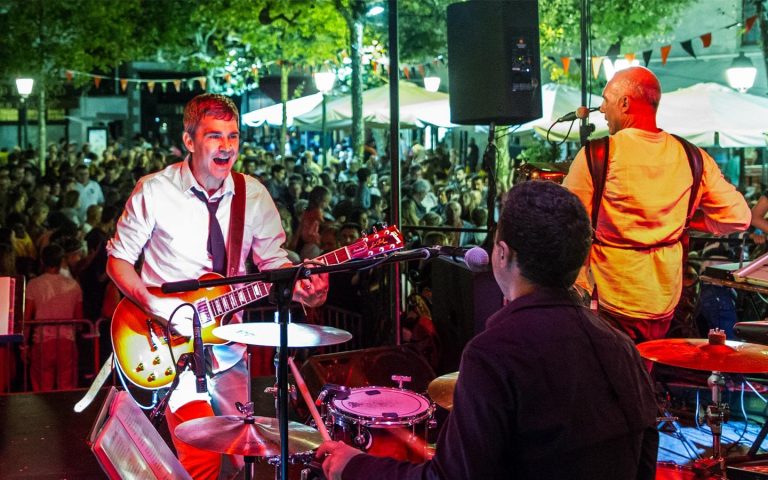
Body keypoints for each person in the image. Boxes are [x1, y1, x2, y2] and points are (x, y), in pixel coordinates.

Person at [317, 180, 660, 480]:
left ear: (501, 254)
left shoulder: (494, 353)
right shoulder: (622, 347)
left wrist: (356, 466)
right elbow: (645, 457)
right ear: (580, 260)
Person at [106, 93, 328, 480]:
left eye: (233, 136)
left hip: (229, 351)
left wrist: (301, 290)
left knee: (244, 456)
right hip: (172, 349)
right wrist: (154, 307)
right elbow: (118, 260)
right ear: (189, 141)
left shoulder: (252, 195)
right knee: (201, 457)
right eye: (214, 136)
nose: (226, 147)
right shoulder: (154, 191)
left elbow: (273, 265)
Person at [563, 66, 750, 342]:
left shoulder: (597, 154)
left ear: (625, 103)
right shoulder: (691, 155)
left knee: (614, 380)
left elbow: (567, 225)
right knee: (646, 375)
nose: (601, 109)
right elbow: (739, 217)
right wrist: (687, 219)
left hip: (611, 297)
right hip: (665, 300)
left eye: (606, 99)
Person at [25, 243, 83, 391]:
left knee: (43, 389)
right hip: (66, 341)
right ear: (61, 261)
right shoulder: (73, 285)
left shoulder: (33, 285)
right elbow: (79, 319)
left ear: (42, 261)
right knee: (66, 387)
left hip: (42, 342)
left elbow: (27, 319)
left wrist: (23, 345)